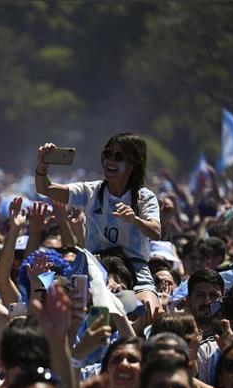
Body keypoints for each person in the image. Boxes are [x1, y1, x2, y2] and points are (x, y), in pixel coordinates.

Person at [36, 133, 162, 314]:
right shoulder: (89, 191)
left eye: (119, 157)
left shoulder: (144, 197)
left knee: (152, 313)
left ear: (134, 163)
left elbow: (155, 231)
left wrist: (135, 219)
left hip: (134, 268)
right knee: (51, 298)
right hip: (95, 266)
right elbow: (44, 188)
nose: (110, 160)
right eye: (107, 154)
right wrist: (42, 167)